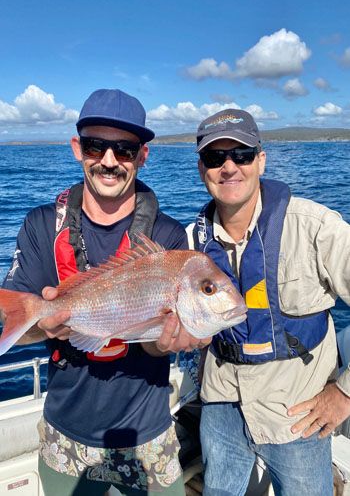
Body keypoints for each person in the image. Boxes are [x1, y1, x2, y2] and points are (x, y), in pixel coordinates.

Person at [2, 88, 210, 496]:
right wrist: (45, 326)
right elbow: (22, 326)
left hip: (147, 432)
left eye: (125, 149)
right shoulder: (43, 225)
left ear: (143, 155)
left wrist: (170, 341)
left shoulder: (167, 236)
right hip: (65, 429)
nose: (110, 161)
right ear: (78, 148)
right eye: (97, 146)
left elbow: (153, 339)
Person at [187, 108, 350, 495]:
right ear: (201, 169)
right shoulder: (189, 247)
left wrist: (345, 393)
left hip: (298, 413)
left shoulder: (316, 228)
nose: (229, 167)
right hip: (221, 405)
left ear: (261, 159)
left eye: (241, 154)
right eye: (215, 157)